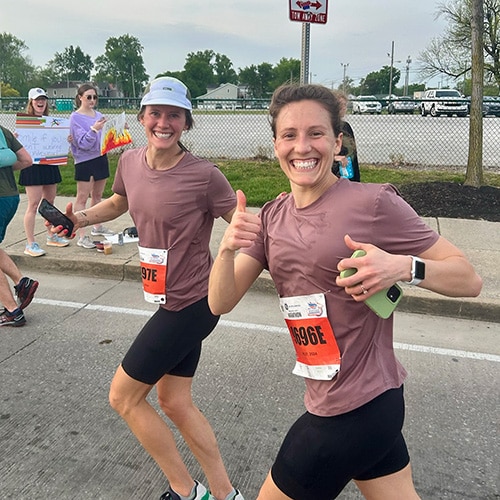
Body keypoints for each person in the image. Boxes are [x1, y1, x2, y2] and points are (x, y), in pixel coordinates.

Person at [208, 83, 483, 500]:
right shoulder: (271, 217)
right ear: (276, 144)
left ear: (337, 142)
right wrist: (226, 251)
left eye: (316, 133)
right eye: (289, 135)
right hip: (354, 400)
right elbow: (220, 301)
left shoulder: (374, 204)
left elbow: (468, 278)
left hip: (354, 408)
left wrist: (402, 267)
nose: (303, 146)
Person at [49, 77, 244, 500]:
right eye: (155, 113)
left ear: (186, 123)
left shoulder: (205, 176)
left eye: (174, 115)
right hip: (164, 298)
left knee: (123, 398)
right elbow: (120, 202)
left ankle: (186, 491)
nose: (163, 122)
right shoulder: (129, 163)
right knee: (174, 402)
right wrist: (79, 218)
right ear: (141, 118)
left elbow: (244, 226)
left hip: (193, 303)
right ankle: (225, 494)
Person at [19, 87, 70, 257]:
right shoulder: (25, 124)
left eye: (43, 99)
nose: (40, 102)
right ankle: (30, 243)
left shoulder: (51, 122)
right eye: (36, 99)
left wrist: (66, 139)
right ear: (31, 102)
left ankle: (52, 235)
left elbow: (59, 142)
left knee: (49, 202)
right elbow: (18, 144)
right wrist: (16, 137)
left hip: (49, 164)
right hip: (32, 166)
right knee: (33, 205)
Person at [0, 125, 39, 326]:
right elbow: (26, 160)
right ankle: (21, 283)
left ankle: (12, 310)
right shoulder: (3, 131)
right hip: (11, 196)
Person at [69, 83, 114, 249]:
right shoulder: (75, 117)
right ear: (80, 97)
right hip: (84, 160)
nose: (92, 100)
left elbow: (105, 139)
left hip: (100, 157)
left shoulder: (99, 114)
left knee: (98, 194)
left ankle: (97, 225)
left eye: (95, 97)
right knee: (83, 197)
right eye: (89, 97)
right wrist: (94, 130)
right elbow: (82, 143)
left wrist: (116, 130)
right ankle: (82, 234)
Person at [332, 93, 360, 182]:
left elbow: (353, 154)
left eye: (345, 105)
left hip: (347, 171)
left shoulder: (346, 126)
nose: (344, 108)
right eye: (341, 105)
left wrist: (357, 180)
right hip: (331, 174)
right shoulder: (325, 127)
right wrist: (333, 158)